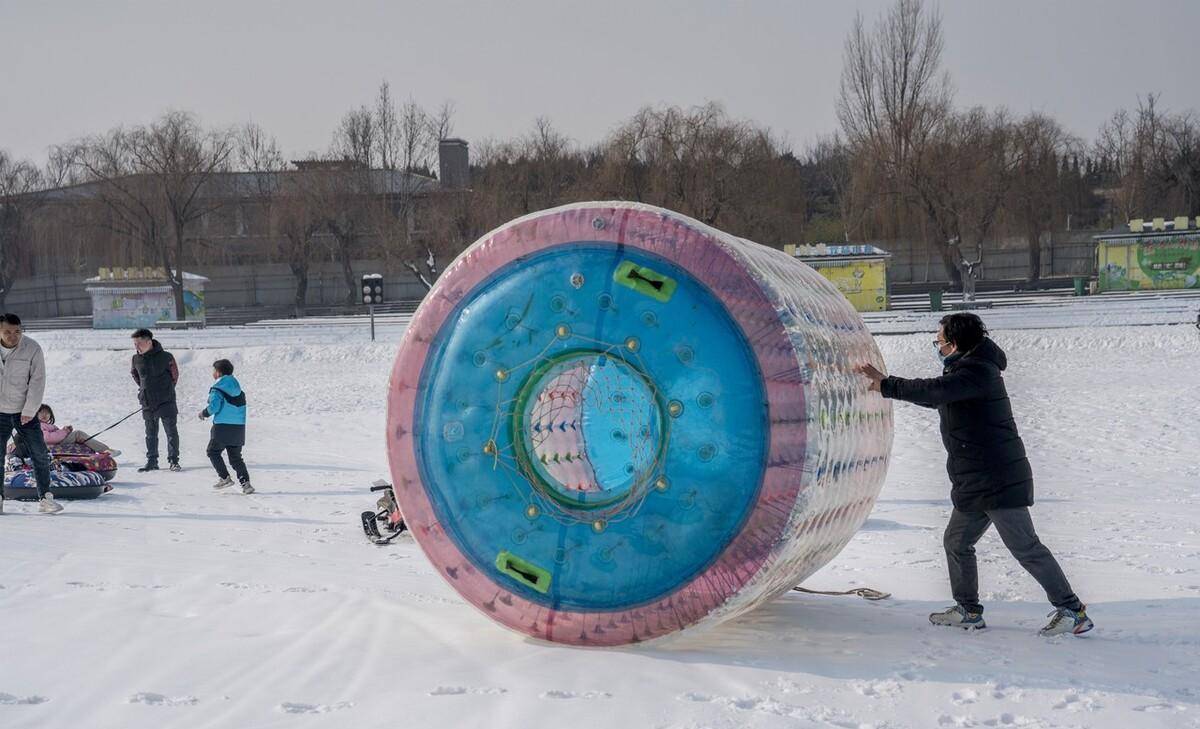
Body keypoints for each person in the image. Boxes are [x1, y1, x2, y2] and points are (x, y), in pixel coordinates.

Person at [857, 312, 1093, 637]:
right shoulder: (967, 371)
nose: (936, 346)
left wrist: (886, 385)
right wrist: (888, 385)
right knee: (956, 541)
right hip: (977, 480)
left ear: (955, 344)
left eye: (938, 341)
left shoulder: (976, 372)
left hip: (997, 479)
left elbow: (935, 391)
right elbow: (939, 395)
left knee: (1026, 547)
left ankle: (1072, 610)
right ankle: (967, 610)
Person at [0, 313, 62, 514]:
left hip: (24, 411)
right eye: (7, 332)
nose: (13, 336)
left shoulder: (32, 348)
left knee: (39, 453)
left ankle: (45, 498)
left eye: (17, 331)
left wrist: (29, 409)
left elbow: (38, 380)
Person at [200, 359, 252, 494]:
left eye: (213, 370)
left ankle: (224, 477)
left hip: (222, 426)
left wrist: (204, 413)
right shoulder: (239, 389)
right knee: (235, 457)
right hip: (239, 427)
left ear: (218, 372)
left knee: (212, 452)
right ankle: (246, 484)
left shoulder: (217, 389)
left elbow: (214, 407)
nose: (213, 373)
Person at [130, 328, 180, 472]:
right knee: (150, 433)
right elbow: (135, 376)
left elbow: (174, 376)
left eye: (139, 343)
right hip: (147, 401)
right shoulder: (136, 359)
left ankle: (173, 460)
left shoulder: (167, 357)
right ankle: (152, 461)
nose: (136, 347)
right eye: (134, 344)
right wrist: (145, 390)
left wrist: (165, 390)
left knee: (171, 432)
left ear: (149, 342)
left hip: (166, 400)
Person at [36, 404, 120, 456]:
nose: (45, 415)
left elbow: (56, 435)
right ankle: (105, 450)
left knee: (80, 437)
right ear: (35, 414)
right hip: (51, 445)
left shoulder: (50, 425)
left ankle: (101, 452)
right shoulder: (38, 425)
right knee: (78, 434)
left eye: (47, 413)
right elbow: (48, 438)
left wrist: (65, 431)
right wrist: (64, 432)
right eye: (42, 413)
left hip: (57, 443)